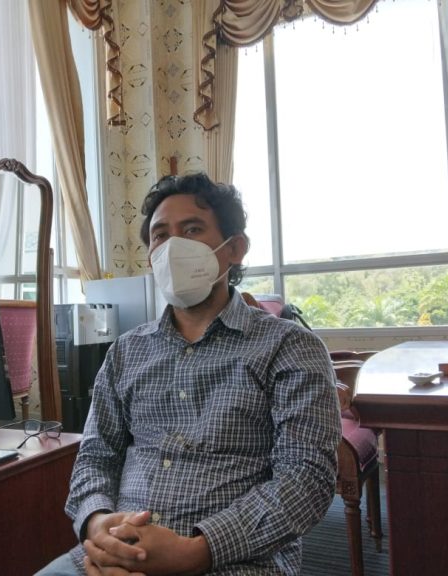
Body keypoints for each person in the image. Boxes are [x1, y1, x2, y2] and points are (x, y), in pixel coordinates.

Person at [35, 172, 341, 576]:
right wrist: (97, 525)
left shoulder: (290, 347)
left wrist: (196, 551)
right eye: (160, 235)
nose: (172, 246)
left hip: (236, 561)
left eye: (192, 229)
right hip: (114, 552)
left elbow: (307, 478)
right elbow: (95, 455)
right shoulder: (125, 352)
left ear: (234, 249)